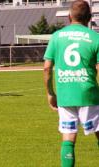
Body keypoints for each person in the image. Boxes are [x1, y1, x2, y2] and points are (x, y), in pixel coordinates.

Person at [43, 0, 99, 166]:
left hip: (65, 95)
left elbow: (46, 68)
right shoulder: (95, 37)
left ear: (69, 17)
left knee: (68, 137)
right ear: (89, 18)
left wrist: (50, 93)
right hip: (89, 94)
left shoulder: (56, 36)